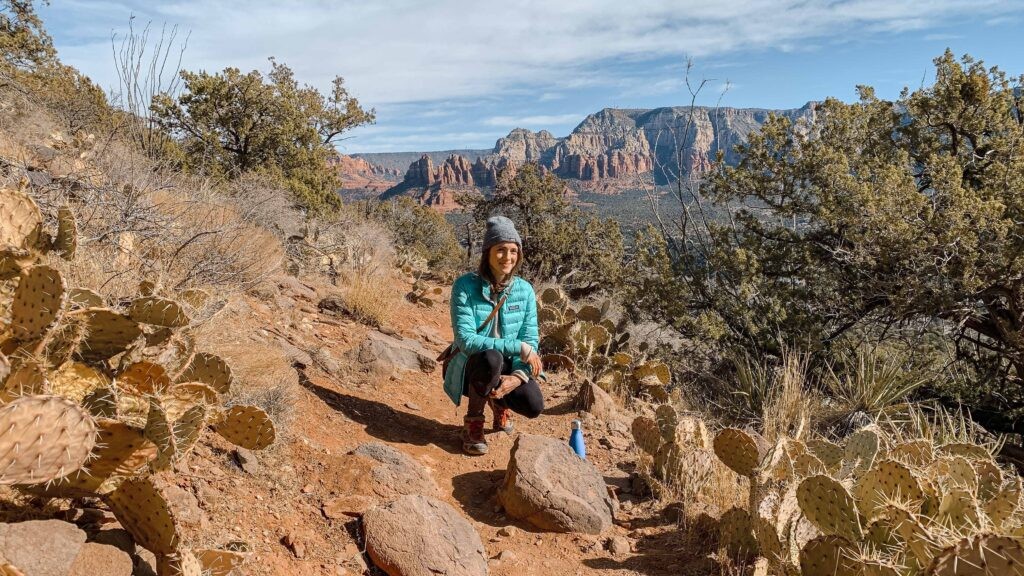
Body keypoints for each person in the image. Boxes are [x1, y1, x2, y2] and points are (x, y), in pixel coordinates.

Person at [444, 216, 544, 455]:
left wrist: (518, 377)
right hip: (473, 365)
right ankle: (474, 423)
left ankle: (499, 402)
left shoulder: (524, 290)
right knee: (491, 357)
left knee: (534, 406)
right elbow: (467, 340)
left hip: (507, 366)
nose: (507, 257)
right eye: (500, 250)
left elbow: (530, 338)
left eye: (513, 251)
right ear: (487, 252)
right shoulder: (465, 286)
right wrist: (519, 347)